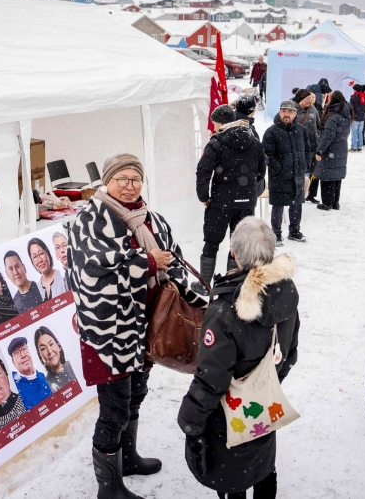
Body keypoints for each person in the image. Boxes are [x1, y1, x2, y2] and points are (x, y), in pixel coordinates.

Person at [66, 153, 208, 497]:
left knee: (136, 396)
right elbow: (89, 273)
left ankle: (127, 458)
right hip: (109, 334)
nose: (129, 187)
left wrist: (202, 302)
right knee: (113, 409)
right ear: (107, 181)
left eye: (135, 179)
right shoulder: (89, 220)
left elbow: (172, 262)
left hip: (146, 328)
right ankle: (109, 487)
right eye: (121, 179)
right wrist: (145, 262)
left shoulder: (153, 220)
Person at [178, 217, 299, 499]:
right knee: (263, 466)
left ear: (233, 252)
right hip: (266, 405)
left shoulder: (225, 311)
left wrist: (190, 420)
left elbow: (212, 379)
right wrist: (266, 383)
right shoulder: (284, 291)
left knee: (233, 476)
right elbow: (289, 351)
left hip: (227, 417)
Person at [196, 103, 267, 278]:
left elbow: (203, 171)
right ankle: (232, 279)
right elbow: (261, 170)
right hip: (246, 202)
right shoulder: (254, 141)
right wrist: (247, 190)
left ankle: (204, 283)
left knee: (212, 242)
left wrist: (204, 196)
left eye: (214, 123)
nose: (213, 127)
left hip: (221, 202)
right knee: (238, 243)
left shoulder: (216, 143)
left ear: (220, 123)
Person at [263, 100, 308, 245]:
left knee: (297, 203)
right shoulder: (271, 132)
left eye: (290, 112)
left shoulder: (301, 130)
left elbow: (307, 149)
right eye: (284, 111)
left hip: (298, 174)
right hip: (279, 176)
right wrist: (280, 168)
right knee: (278, 205)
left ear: (295, 114)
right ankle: (276, 234)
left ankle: (294, 231)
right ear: (280, 112)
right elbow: (267, 154)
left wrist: (304, 165)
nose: (286, 114)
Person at [314, 90, 351, 211]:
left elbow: (327, 137)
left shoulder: (333, 117)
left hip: (331, 150)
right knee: (336, 176)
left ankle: (327, 203)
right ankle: (335, 202)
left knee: (327, 176)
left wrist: (319, 151)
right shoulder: (346, 114)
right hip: (341, 149)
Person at [7, 336, 53, 410]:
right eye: (17, 353)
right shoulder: (13, 385)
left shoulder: (43, 377)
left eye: (24, 349)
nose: (23, 355)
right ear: (13, 362)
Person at [34, 326, 77, 392]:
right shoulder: (46, 386)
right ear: (40, 356)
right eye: (43, 349)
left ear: (57, 345)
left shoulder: (74, 365)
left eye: (51, 344)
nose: (49, 351)